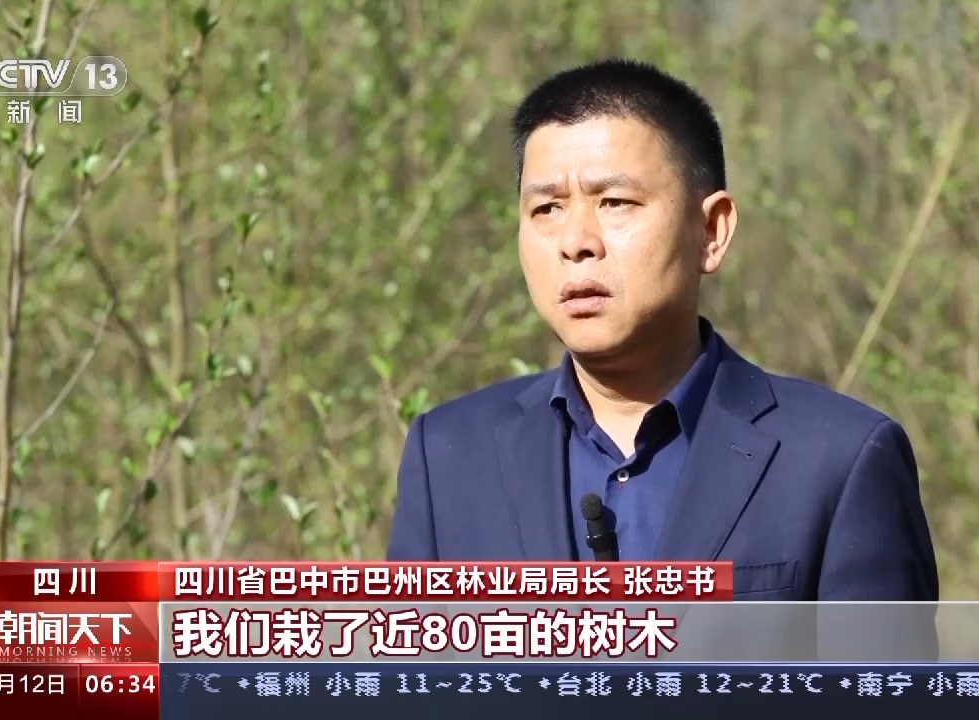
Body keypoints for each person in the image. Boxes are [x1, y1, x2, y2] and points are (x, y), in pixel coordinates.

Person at [386, 58, 938, 605]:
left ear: (711, 230)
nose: (575, 242)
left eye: (614, 202)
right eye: (547, 208)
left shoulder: (839, 460)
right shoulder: (450, 456)